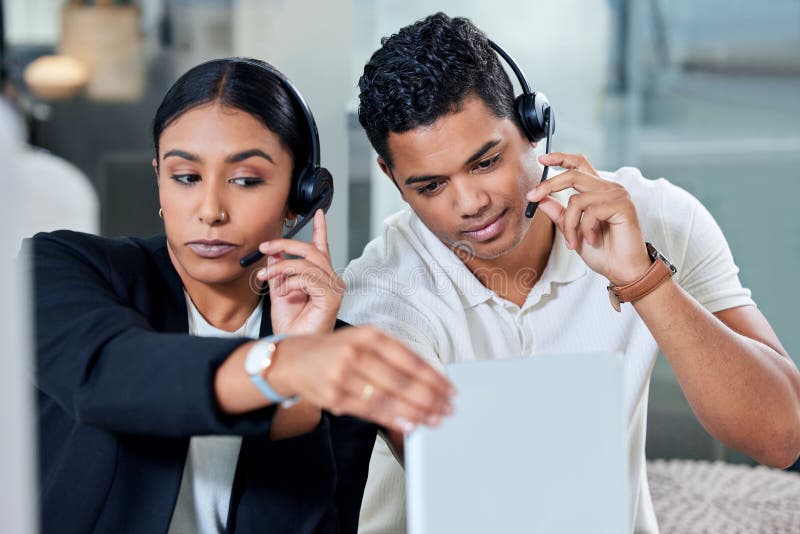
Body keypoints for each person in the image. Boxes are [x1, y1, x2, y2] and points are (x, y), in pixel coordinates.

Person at [341, 13, 800, 534]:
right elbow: (496, 508)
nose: (470, 204)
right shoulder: (380, 297)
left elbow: (782, 435)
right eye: (430, 187)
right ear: (392, 179)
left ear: (532, 125)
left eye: (486, 162)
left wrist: (644, 280)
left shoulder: (658, 218)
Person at [25, 57, 454, 534]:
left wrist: (300, 373)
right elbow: (108, 372)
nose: (210, 211)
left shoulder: (331, 359)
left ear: (301, 196)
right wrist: (281, 366)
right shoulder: (63, 267)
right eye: (186, 177)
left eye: (246, 180)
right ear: (160, 182)